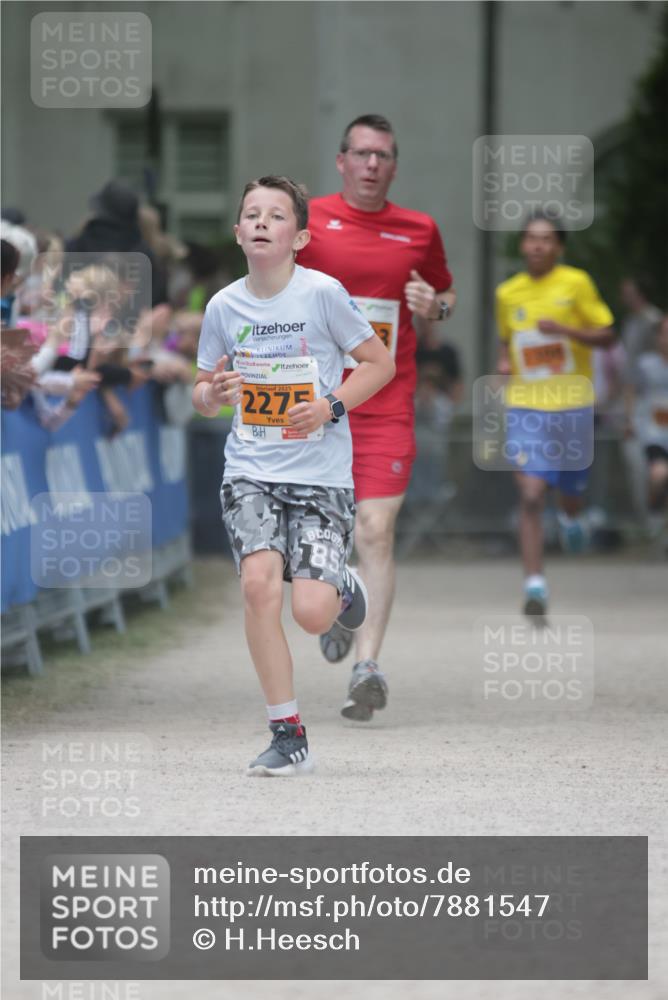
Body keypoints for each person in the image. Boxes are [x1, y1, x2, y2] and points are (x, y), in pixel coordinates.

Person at [193, 175, 394, 776]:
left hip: (320, 476)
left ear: (300, 237)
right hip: (250, 470)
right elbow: (202, 391)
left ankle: (342, 588)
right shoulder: (223, 306)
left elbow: (378, 363)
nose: (262, 222)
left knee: (311, 613)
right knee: (259, 585)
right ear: (237, 232)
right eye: (252, 214)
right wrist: (213, 394)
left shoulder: (323, 294)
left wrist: (330, 406)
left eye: (276, 215)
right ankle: (287, 734)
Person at [298, 113, 455, 721]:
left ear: (393, 166)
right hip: (316, 405)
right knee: (322, 533)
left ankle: (367, 667)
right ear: (341, 161)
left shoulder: (419, 229)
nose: (370, 164)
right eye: (361, 154)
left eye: (382, 156)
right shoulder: (310, 221)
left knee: (375, 529)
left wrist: (434, 305)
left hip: (386, 403)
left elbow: (445, 295)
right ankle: (341, 602)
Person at [495, 210, 615, 622]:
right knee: (530, 495)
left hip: (572, 405)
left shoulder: (577, 283)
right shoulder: (508, 292)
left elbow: (607, 334)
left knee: (570, 491)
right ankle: (535, 583)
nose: (538, 245)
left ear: (559, 246)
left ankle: (571, 516)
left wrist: (566, 332)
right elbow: (507, 340)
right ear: (523, 244)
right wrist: (504, 362)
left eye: (547, 239)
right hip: (526, 406)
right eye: (531, 238)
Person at [624, 314, 668, 532]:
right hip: (655, 432)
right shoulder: (646, 365)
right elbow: (631, 390)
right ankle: (654, 512)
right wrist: (630, 420)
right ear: (658, 337)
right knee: (659, 475)